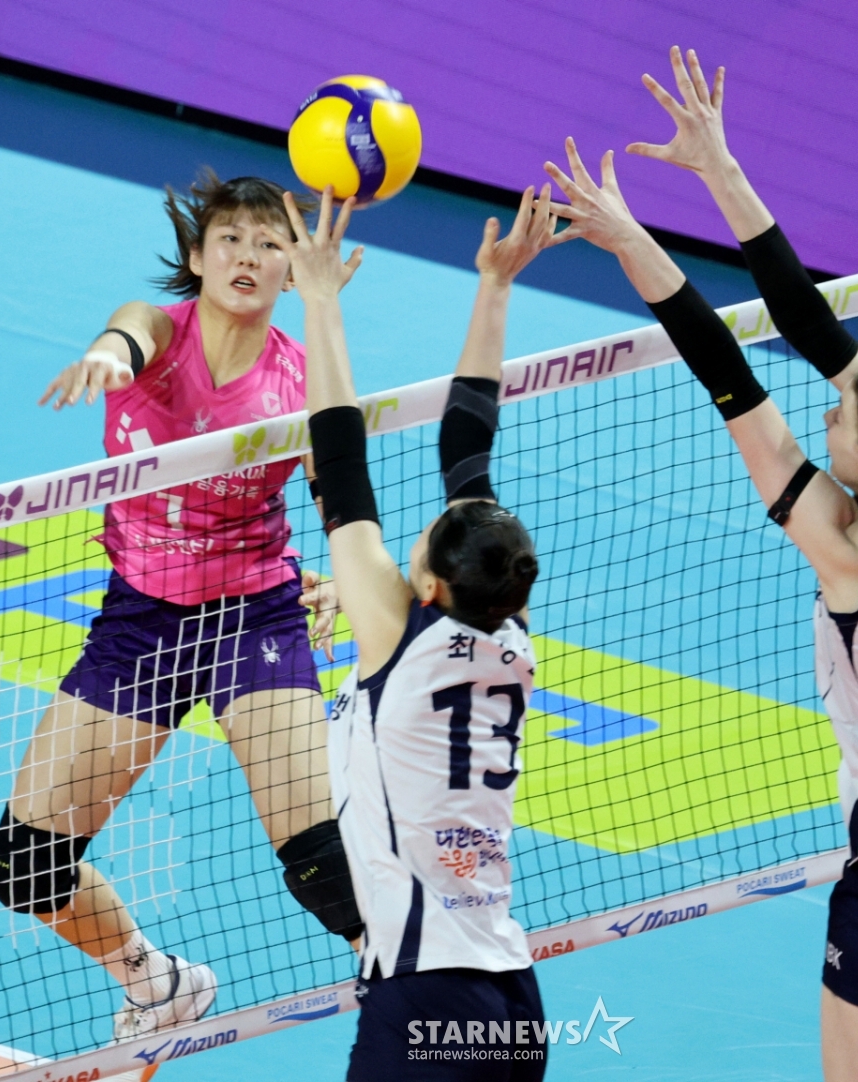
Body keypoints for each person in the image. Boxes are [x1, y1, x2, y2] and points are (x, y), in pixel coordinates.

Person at [543, 46, 858, 1082]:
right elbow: (814, 328)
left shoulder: (848, 553)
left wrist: (632, 237)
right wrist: (719, 168)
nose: (825, 415)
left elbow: (728, 372)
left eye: (838, 421)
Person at [0, 173, 360, 1058]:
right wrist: (109, 356)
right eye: (230, 239)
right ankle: (159, 984)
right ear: (197, 255)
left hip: (253, 618)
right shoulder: (153, 330)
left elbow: (341, 489)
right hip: (141, 624)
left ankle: (424, 1005)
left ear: (292, 270)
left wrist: (350, 574)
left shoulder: (303, 377)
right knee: (24, 867)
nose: (248, 256)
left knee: (326, 866)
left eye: (269, 244)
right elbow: (129, 334)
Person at [280, 181, 550, 1080]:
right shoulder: (510, 629)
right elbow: (467, 452)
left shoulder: (397, 637)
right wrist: (495, 286)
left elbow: (340, 457)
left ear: (430, 584)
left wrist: (319, 299)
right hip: (512, 996)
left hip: (426, 1003)